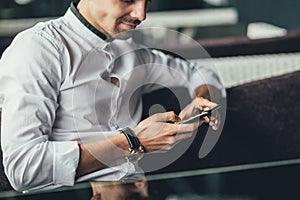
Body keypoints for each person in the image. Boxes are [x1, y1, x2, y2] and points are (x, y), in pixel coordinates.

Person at [0, 0, 225, 192]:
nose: (142, 14)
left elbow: (199, 74)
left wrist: (200, 100)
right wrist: (133, 141)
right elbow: (24, 169)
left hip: (143, 187)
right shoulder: (39, 48)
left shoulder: (130, 51)